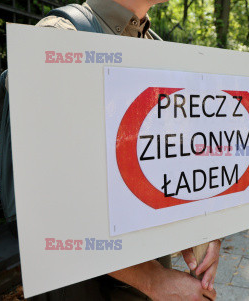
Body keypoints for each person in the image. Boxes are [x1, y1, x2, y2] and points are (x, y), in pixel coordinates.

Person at [32, 0, 221, 300]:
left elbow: (169, 157)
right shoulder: (61, 36)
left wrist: (204, 223)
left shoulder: (156, 46)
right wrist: (153, 280)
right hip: (81, 282)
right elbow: (50, 195)